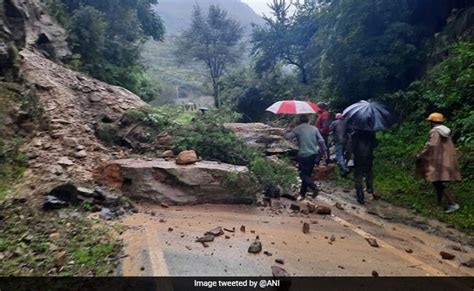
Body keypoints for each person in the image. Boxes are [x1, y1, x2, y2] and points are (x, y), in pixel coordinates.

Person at [416, 113, 461, 213]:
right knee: (437, 181)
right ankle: (439, 204)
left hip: (437, 161)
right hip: (444, 160)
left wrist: (421, 154)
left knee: (436, 182)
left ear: (432, 122)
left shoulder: (436, 132)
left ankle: (452, 203)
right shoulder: (444, 131)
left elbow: (432, 146)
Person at [286, 114, 328, 199]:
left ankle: (314, 187)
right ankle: (302, 194)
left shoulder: (297, 129)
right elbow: (321, 141)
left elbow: (287, 137)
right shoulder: (315, 128)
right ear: (308, 121)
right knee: (307, 174)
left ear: (299, 121)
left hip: (303, 155)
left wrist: (289, 129)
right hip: (313, 154)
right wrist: (324, 152)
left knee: (302, 174)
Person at [350, 129, 378, 204]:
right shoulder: (371, 133)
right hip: (369, 157)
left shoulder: (354, 134)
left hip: (358, 158)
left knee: (358, 178)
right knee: (369, 172)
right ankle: (370, 188)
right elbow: (375, 144)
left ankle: (360, 197)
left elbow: (351, 148)